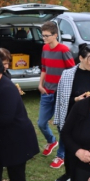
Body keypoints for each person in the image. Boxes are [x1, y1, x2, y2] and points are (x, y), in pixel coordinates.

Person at [53, 44, 90, 181]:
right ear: (81, 58)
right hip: (72, 118)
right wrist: (76, 100)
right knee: (70, 148)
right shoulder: (67, 75)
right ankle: (69, 174)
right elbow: (61, 99)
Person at [37, 21, 75, 169]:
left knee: (61, 127)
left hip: (61, 95)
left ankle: (61, 156)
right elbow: (44, 68)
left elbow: (72, 72)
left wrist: (66, 91)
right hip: (47, 91)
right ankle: (52, 141)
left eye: (47, 36)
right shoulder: (45, 48)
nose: (44, 38)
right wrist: (40, 85)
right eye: (43, 35)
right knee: (41, 122)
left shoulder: (64, 50)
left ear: (55, 35)